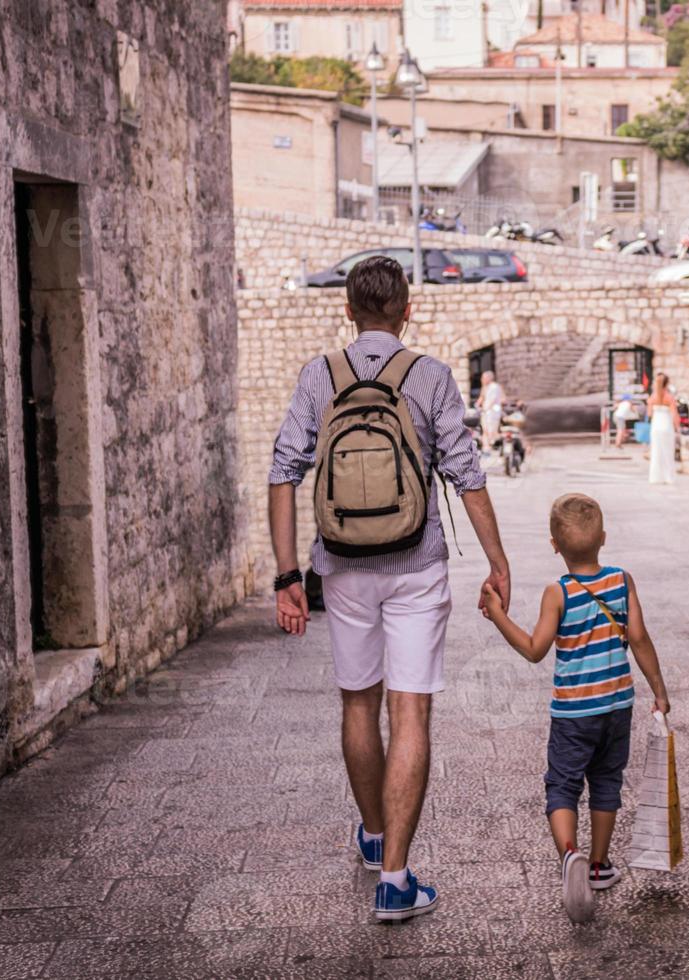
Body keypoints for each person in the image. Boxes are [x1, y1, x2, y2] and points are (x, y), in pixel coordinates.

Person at [268, 255, 511, 923]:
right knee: (410, 711)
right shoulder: (429, 376)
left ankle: (374, 835)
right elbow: (466, 473)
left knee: (357, 703)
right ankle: (397, 879)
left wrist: (289, 575)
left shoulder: (319, 376)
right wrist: (498, 561)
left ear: (347, 310)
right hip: (417, 563)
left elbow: (283, 471)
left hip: (341, 567)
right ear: (408, 310)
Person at [480, 493, 671, 923]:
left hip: (573, 713)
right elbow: (639, 638)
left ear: (554, 544)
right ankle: (600, 865)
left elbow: (534, 649)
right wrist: (658, 689)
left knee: (563, 785)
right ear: (603, 538)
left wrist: (497, 614)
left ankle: (570, 856)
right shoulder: (622, 581)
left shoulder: (558, 592)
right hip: (617, 705)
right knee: (607, 782)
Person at [646, 373, 677, 485]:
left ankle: (656, 477)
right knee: (668, 452)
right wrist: (678, 428)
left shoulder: (652, 397)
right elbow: (674, 415)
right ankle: (668, 477)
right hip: (667, 426)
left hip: (656, 427)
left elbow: (649, 414)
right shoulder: (670, 397)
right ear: (667, 383)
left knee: (656, 452)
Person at [477, 371, 504, 451]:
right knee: (485, 430)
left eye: (483, 378)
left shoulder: (494, 387)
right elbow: (482, 398)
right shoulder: (486, 387)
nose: (481, 379)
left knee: (492, 431)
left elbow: (493, 399)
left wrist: (486, 408)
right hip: (486, 412)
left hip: (492, 412)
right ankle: (487, 447)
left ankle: (496, 444)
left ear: (489, 378)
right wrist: (477, 405)